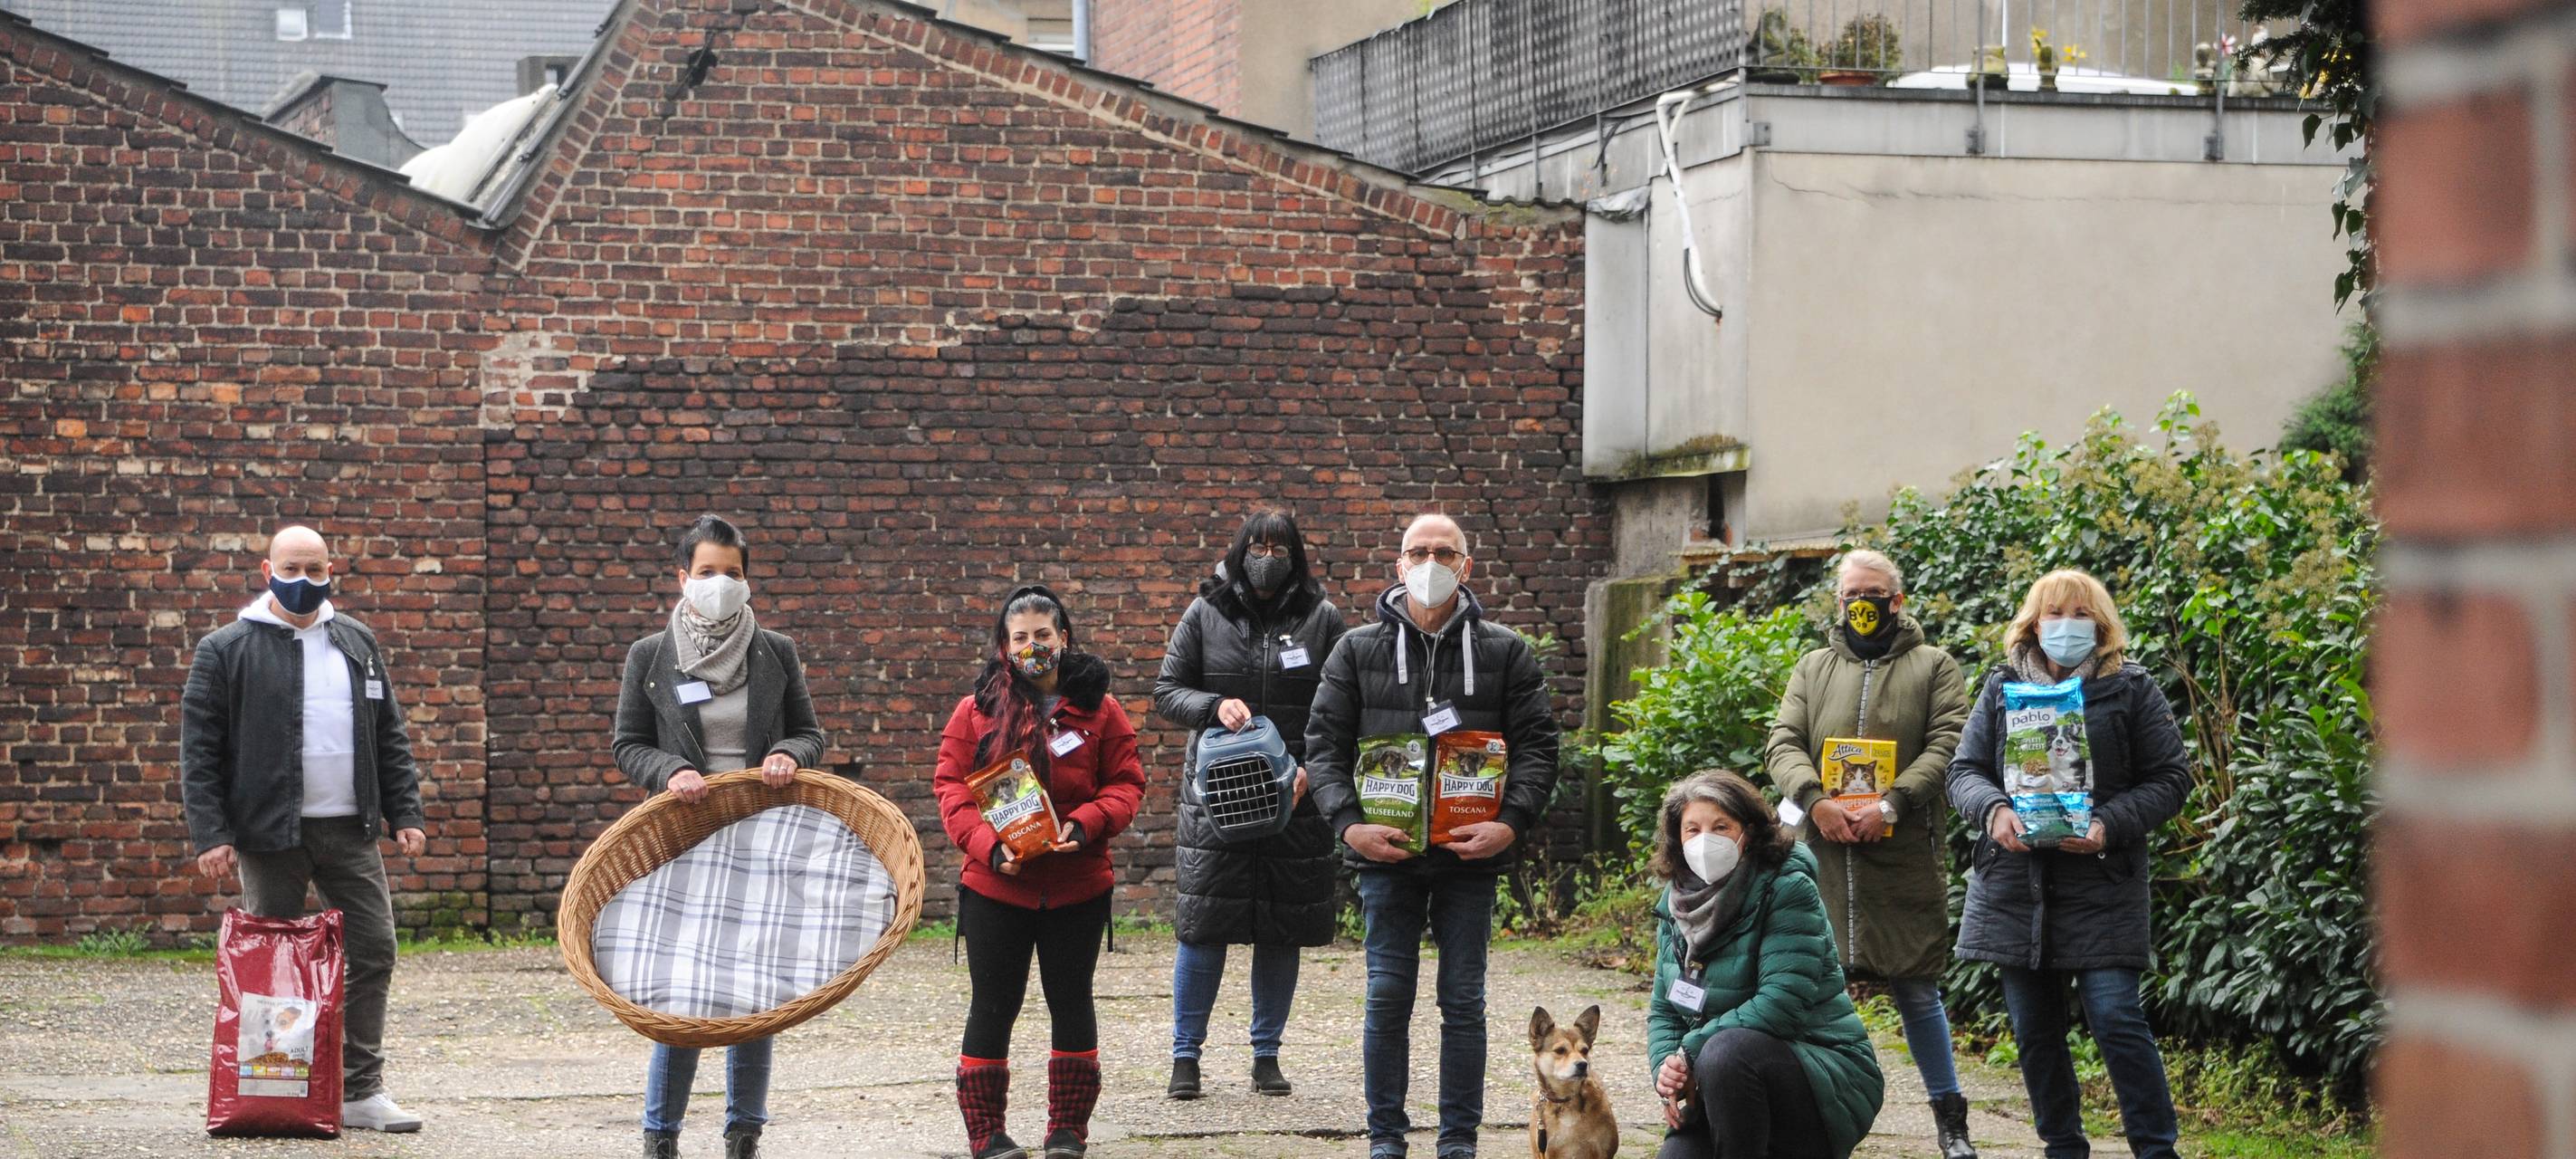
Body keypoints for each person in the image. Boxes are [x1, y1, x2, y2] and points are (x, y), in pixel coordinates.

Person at [1305, 512, 1560, 1159]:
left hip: (1469, 857)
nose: (1430, 563)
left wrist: (1509, 825)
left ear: (1466, 566)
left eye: (1444, 552)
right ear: (1397, 564)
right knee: (1387, 996)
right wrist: (1348, 824)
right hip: (1383, 856)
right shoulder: (1355, 650)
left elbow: (1538, 748)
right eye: (1417, 552)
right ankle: (1386, 1136)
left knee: (1463, 1000)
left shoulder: (1505, 651)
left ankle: (1457, 1142)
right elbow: (1324, 746)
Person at [181, 524, 429, 1134]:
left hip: (349, 831)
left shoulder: (356, 641)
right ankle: (278, 1090)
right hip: (270, 836)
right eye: (291, 569)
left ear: (331, 570)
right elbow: (200, 749)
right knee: (274, 968)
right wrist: (212, 832)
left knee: (374, 951)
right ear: (267, 571)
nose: (304, 581)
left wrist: (406, 813)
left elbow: (387, 736)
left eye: (315, 569)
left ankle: (359, 1092)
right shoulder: (226, 649)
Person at [1946, 569, 2191, 1159]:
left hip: (2102, 882)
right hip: (2014, 883)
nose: (2066, 626)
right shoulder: (2001, 685)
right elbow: (1963, 772)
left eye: (2080, 615)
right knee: (2035, 1034)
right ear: (2033, 623)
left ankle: (2157, 1151)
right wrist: (1995, 812)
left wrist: (2109, 824)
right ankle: (2063, 1148)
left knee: (2117, 1020)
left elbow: (2172, 778)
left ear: (2101, 626)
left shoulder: (2131, 689)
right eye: (2054, 614)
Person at [612, 514, 829, 1159]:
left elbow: (811, 733)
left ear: (748, 580)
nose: (720, 583)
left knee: (753, 991)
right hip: (682, 841)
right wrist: (670, 768)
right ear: (682, 577)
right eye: (707, 572)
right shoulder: (652, 655)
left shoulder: (777, 651)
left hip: (761, 840)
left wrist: (790, 752)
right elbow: (628, 744)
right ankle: (662, 1136)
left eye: (733, 573)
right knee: (681, 996)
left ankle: (743, 1132)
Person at [1765, 550, 1977, 1158]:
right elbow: (1783, 742)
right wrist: (1815, 801)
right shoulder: (1812, 667)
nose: (1862, 603)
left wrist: (1891, 805)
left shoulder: (1935, 666)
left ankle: (1950, 1119)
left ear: (1897, 599)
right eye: (1850, 593)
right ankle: (1806, 1113)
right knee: (1805, 987)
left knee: (1915, 988)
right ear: (1837, 601)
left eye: (1874, 592)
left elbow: (1948, 742)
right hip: (1822, 854)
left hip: (1902, 850)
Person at [933, 585, 1146, 1159]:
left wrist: (1086, 822)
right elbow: (951, 788)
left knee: (1072, 1000)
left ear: (1064, 638)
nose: (1032, 646)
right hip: (996, 885)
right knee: (992, 1005)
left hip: (1077, 886)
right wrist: (986, 845)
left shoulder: (1101, 710)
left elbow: (1126, 784)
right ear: (1004, 645)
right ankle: (987, 1136)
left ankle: (1067, 1131)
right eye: (1020, 637)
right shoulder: (974, 712)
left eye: (1042, 635)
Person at [1151, 509, 1346, 1099]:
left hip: (1293, 798)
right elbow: (1167, 691)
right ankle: (1186, 1058)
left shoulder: (1321, 619)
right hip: (1219, 801)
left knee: (1280, 929)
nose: (1267, 556)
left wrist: (1316, 770)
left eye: (1279, 547)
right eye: (1258, 545)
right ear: (1240, 551)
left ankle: (1267, 1056)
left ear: (1296, 556)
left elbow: (1343, 706)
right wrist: (1213, 706)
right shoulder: (1206, 612)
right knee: (1204, 929)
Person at [1645, 771, 1884, 1159]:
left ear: (1750, 832)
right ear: (1678, 838)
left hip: (1819, 1077)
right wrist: (1667, 1071)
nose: (1706, 840)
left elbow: (1782, 1005)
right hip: (1720, 1083)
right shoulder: (1677, 906)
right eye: (1693, 829)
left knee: (1726, 1051)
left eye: (1721, 826)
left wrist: (1689, 1053)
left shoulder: (1787, 887)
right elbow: (1664, 1010)